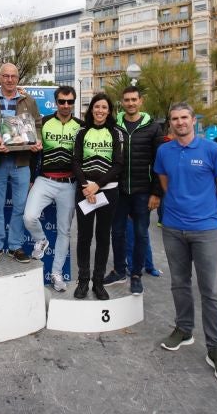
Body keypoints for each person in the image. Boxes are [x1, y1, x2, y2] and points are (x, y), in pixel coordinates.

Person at [154, 102, 217, 385]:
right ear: (170, 123)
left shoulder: (213, 150)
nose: (180, 122)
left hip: (206, 229)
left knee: (211, 290)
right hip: (173, 227)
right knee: (179, 282)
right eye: (174, 118)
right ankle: (184, 329)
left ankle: (216, 349)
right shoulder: (164, 151)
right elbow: (165, 183)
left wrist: (209, 210)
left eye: (184, 117)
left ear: (193, 120)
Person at [104, 86, 164, 296]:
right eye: (126, 100)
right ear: (122, 102)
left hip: (142, 191)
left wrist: (157, 193)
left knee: (140, 234)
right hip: (118, 190)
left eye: (134, 100)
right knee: (117, 232)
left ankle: (136, 274)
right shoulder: (114, 126)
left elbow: (159, 162)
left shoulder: (154, 128)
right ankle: (119, 270)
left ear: (141, 101)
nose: (130, 103)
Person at [22, 85, 82, 292]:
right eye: (62, 101)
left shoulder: (81, 126)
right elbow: (31, 150)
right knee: (29, 217)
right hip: (44, 180)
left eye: (70, 102)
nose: (66, 105)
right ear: (55, 102)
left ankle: (56, 273)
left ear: (74, 103)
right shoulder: (44, 122)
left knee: (64, 231)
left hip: (69, 184)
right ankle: (41, 240)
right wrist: (31, 176)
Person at [0, 62, 42, 265]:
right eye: (5, 76)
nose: (10, 80)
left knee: (20, 207)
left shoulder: (29, 101)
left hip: (22, 162)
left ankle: (15, 246)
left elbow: (37, 125)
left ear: (18, 79)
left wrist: (38, 139)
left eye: (13, 76)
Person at [71, 93, 123, 301]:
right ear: (91, 109)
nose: (100, 111)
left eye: (104, 107)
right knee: (84, 237)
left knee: (103, 237)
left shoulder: (116, 132)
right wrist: (86, 186)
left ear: (109, 111)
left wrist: (97, 186)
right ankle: (83, 281)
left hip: (108, 190)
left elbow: (118, 163)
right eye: (96, 107)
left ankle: (98, 282)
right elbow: (75, 161)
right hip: (84, 190)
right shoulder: (81, 132)